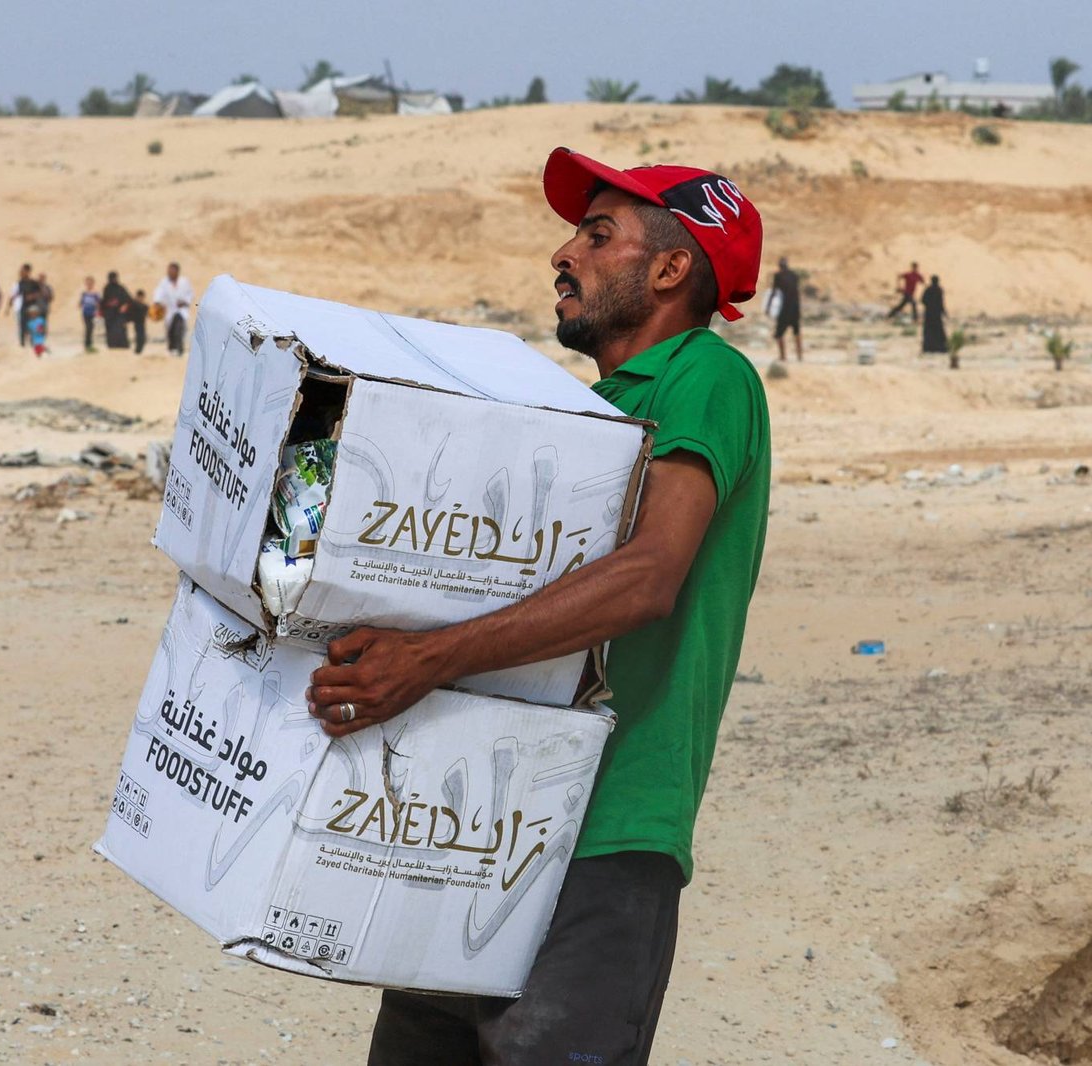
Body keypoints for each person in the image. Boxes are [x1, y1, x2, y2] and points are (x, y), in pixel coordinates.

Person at [307, 147, 770, 1066]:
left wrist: (426, 658)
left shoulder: (705, 378)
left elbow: (648, 577)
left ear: (671, 269)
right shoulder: (576, 411)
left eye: (599, 235)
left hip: (604, 830)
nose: (564, 254)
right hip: (470, 817)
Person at [153, 262, 194, 356]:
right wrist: (157, 302)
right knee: (170, 330)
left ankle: (179, 349)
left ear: (177, 271)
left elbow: (190, 293)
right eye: (169, 271)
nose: (170, 272)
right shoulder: (164, 282)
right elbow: (158, 292)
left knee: (179, 329)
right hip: (170, 310)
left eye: (172, 271)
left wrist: (185, 302)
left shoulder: (184, 281)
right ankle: (172, 348)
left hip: (181, 310)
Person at [768, 255, 802, 362]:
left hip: (785, 308)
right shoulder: (794, 275)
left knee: (779, 333)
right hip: (795, 307)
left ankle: (783, 356)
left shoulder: (778, 276)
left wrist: (768, 306)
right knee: (796, 331)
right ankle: (799, 355)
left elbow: (774, 292)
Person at [7, 264, 41, 346]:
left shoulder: (33, 282)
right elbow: (16, 294)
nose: (21, 273)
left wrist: (32, 296)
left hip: (32, 307)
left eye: (23, 271)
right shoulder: (20, 283)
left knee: (32, 324)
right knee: (22, 324)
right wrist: (9, 305)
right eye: (21, 271)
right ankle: (22, 343)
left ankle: (33, 342)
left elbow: (39, 293)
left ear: (28, 272)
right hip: (23, 306)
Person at [100, 272, 131, 349]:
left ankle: (122, 345)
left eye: (115, 278)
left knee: (121, 330)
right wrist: (108, 305)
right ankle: (112, 345)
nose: (114, 280)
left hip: (119, 314)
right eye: (112, 278)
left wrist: (124, 306)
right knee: (111, 331)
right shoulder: (107, 288)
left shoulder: (121, 288)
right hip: (110, 314)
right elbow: (104, 300)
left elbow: (128, 299)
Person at [921, 275, 949, 355]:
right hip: (936, 314)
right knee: (937, 330)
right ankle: (939, 347)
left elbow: (923, 300)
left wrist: (929, 306)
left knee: (930, 330)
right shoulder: (938, 290)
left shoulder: (929, 289)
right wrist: (943, 311)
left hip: (930, 314)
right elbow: (941, 303)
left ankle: (929, 347)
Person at [78, 276, 100, 352]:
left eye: (90, 283)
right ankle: (87, 345)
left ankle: (89, 344)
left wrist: (97, 311)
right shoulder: (84, 293)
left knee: (91, 328)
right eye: (87, 283)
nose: (89, 284)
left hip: (92, 313)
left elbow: (99, 303)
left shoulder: (96, 293)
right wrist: (81, 304)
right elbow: (81, 303)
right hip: (85, 313)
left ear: (93, 283)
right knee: (88, 328)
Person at [130, 288, 150, 354]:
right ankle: (137, 351)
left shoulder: (143, 305)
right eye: (140, 297)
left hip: (142, 323)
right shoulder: (134, 304)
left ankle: (138, 351)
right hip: (137, 323)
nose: (142, 299)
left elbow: (149, 312)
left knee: (142, 338)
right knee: (140, 338)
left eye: (142, 297)